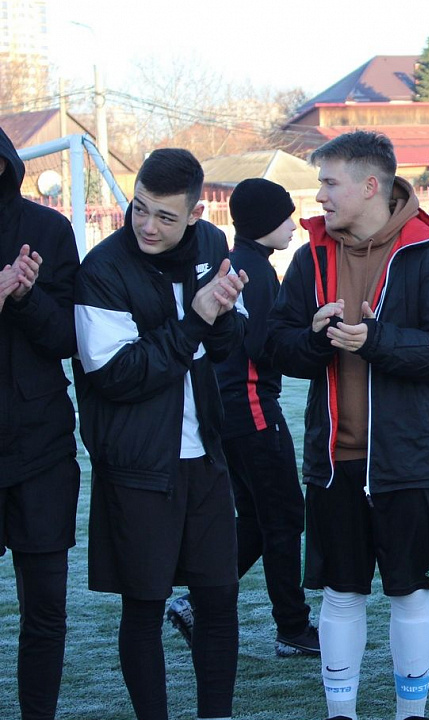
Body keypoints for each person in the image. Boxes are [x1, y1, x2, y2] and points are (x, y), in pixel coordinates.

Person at [266, 130, 429, 720]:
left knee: (410, 592)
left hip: (409, 459)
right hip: (335, 459)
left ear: (371, 185)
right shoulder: (309, 257)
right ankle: (342, 713)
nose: (321, 195)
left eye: (330, 182)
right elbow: (279, 346)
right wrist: (311, 336)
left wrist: (375, 340)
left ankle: (412, 715)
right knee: (341, 593)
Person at [74, 148, 248, 720]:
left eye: (165, 216)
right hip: (138, 465)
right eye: (139, 208)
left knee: (220, 601)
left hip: (206, 458)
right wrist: (196, 320)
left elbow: (223, 348)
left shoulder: (211, 249)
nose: (147, 225)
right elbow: (115, 376)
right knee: (144, 608)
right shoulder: (100, 269)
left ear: (197, 214)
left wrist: (221, 318)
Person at [165, 178, 319, 658]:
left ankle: (197, 602)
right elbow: (259, 344)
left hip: (228, 408)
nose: (292, 226)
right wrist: (311, 338)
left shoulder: (243, 262)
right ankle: (292, 627)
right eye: (285, 216)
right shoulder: (253, 269)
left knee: (256, 516)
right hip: (249, 407)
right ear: (262, 222)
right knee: (285, 515)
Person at [0, 127, 80, 720]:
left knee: (46, 607)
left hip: (41, 446)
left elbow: (65, 340)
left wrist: (27, 297)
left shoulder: (48, 230)